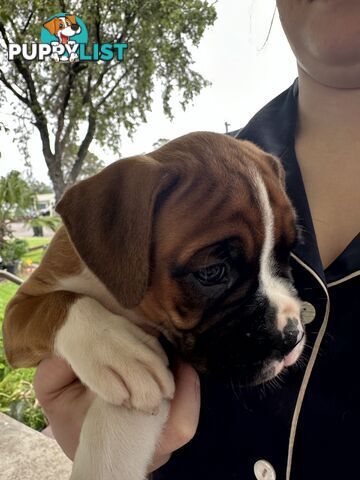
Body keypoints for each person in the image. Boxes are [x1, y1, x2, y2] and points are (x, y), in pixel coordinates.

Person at [34, 1, 360, 478]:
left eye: (285, 256)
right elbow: (31, 314)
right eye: (212, 271)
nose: (287, 321)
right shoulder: (171, 190)